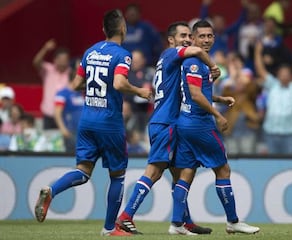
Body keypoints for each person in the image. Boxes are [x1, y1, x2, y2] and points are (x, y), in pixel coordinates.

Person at [34, 9, 152, 237]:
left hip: (87, 120)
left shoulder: (90, 52)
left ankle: (52, 190)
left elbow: (76, 84)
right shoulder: (122, 54)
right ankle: (109, 229)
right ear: (123, 29)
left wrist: (96, 85)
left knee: (83, 170)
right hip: (109, 122)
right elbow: (119, 83)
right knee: (117, 175)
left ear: (103, 30)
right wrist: (139, 90)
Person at [116, 21, 220, 235]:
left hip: (164, 120)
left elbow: (186, 91)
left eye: (189, 36)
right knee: (154, 171)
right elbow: (198, 50)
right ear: (171, 39)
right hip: (166, 122)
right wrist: (212, 67)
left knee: (178, 173)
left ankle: (183, 221)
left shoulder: (169, 60)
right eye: (183, 35)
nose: (187, 39)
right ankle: (126, 216)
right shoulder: (172, 53)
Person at [170, 20, 260, 235]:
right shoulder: (195, 62)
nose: (207, 40)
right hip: (199, 124)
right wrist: (218, 115)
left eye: (210, 36)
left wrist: (219, 98)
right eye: (202, 36)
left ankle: (176, 223)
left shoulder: (200, 63)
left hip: (185, 122)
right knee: (223, 169)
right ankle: (233, 221)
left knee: (187, 172)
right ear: (193, 38)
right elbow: (195, 94)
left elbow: (197, 93)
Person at [254, 39, 292, 154]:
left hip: (291, 133)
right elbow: (261, 71)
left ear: (291, 75)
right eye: (282, 74)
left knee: (290, 163)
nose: (285, 76)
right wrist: (257, 53)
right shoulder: (272, 85)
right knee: (272, 163)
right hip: (271, 132)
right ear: (278, 75)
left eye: (287, 74)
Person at [33, 39, 71, 130]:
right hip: (48, 114)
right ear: (55, 60)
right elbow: (36, 62)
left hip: (64, 115)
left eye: (65, 60)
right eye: (60, 59)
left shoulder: (71, 73)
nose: (63, 62)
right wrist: (45, 48)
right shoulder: (48, 70)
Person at [54, 77, 84, 154]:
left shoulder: (80, 94)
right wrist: (63, 129)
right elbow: (57, 113)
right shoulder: (62, 93)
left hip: (81, 132)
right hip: (70, 132)